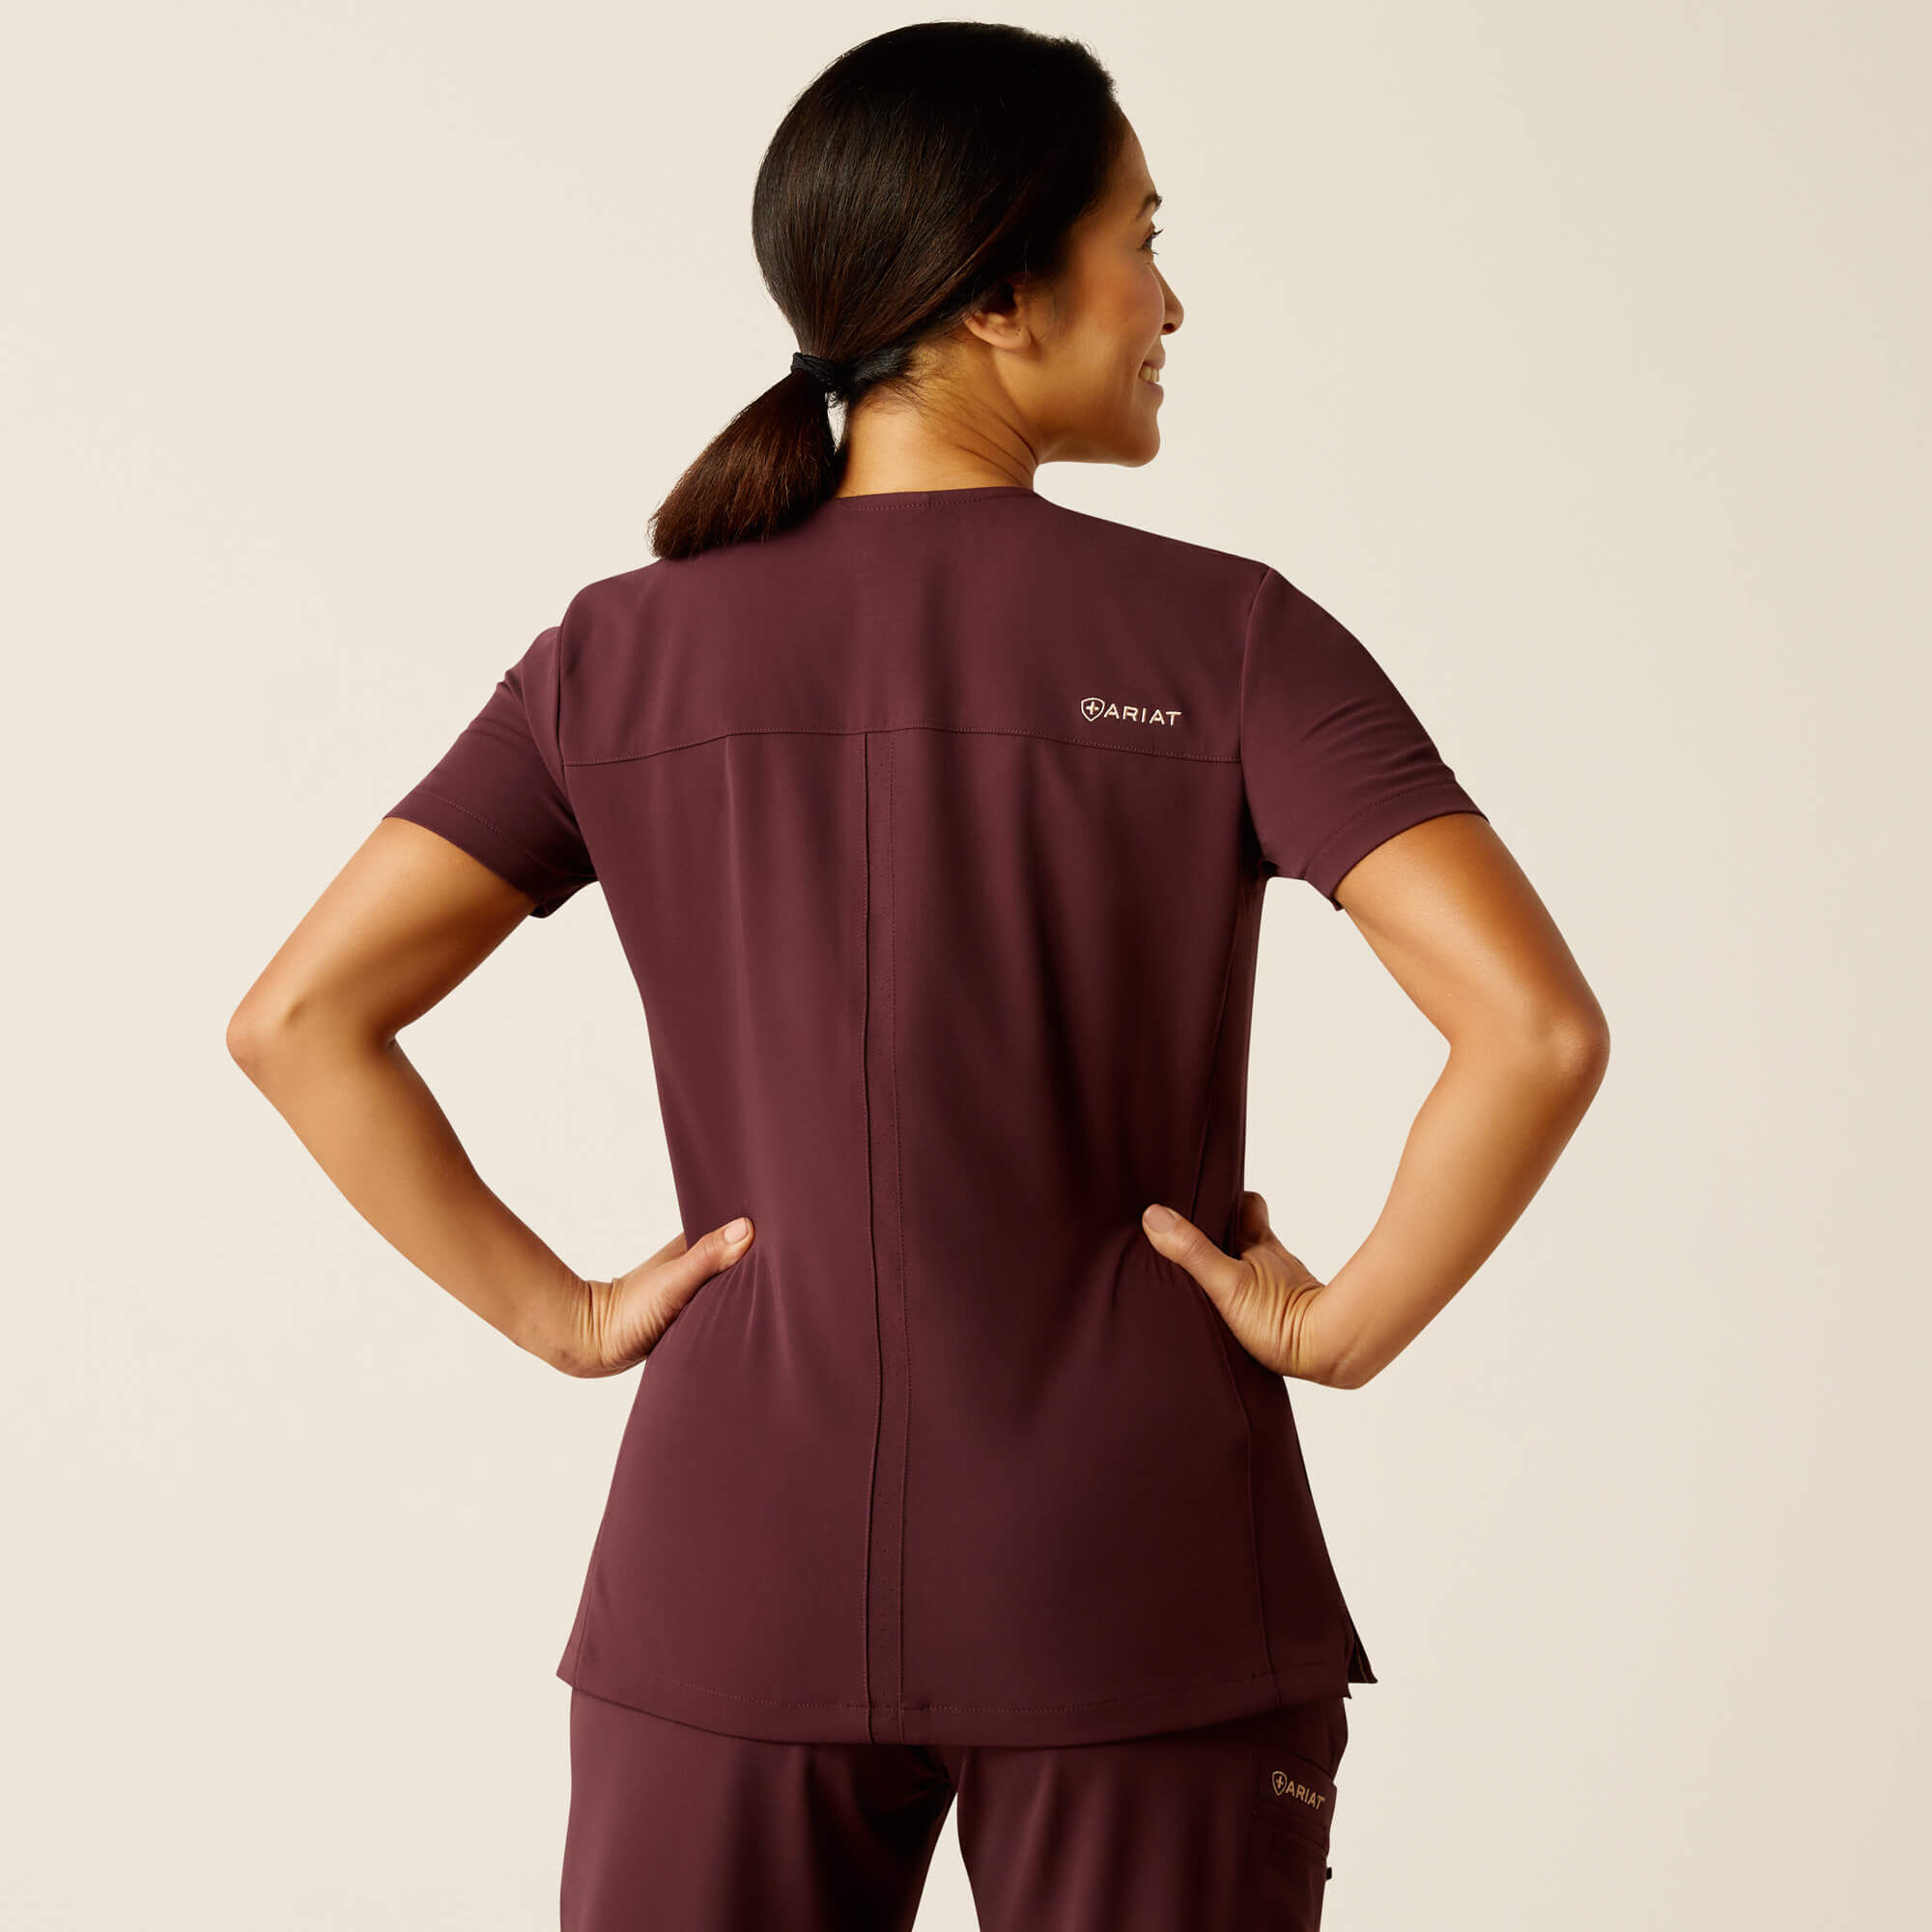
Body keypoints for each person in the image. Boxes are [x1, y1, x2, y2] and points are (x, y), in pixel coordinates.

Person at [226, 21, 1609, 1931]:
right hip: (1138, 1577)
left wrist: (567, 1316)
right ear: (998, 295)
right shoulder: (1226, 639)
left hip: (730, 1565)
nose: (1172, 301)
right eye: (1143, 239)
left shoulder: (613, 658)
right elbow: (1530, 1028)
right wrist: (1337, 1327)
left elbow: (300, 1020)